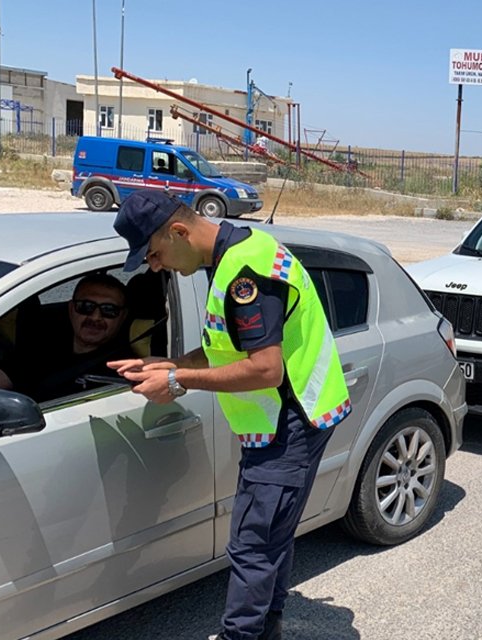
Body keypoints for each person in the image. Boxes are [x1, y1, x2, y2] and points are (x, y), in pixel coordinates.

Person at [107, 191, 351, 640]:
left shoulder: (244, 276)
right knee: (270, 538)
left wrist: (179, 382)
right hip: (289, 418)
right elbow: (229, 346)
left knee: (252, 545)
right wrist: (171, 363)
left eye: (155, 254)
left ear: (179, 231)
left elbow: (264, 367)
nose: (155, 266)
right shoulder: (238, 251)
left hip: (288, 422)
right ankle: (265, 631)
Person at [0, 273, 135, 402]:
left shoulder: (125, 368)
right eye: (86, 307)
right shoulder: (43, 346)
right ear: (72, 309)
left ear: (123, 316)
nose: (95, 317)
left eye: (109, 310)